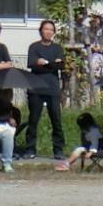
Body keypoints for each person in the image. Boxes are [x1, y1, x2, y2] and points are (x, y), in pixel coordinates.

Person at [24, 18, 67, 164]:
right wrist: (50, 64)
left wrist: (45, 64)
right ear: (41, 31)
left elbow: (60, 66)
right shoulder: (33, 47)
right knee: (33, 120)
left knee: (56, 120)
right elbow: (32, 64)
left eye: (51, 29)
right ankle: (30, 149)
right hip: (35, 88)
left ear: (54, 32)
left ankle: (58, 149)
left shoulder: (58, 48)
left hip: (53, 89)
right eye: (46, 29)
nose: (48, 32)